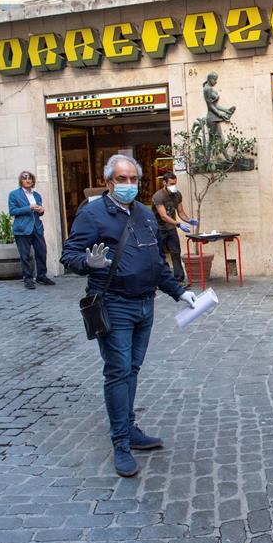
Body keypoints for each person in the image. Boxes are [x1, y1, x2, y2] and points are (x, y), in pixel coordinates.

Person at [61, 154, 197, 478]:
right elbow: (69, 254)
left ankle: (130, 428)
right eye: (121, 180)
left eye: (133, 179)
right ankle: (121, 441)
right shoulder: (92, 214)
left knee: (132, 369)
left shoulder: (144, 214)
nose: (128, 185)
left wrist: (179, 291)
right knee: (118, 370)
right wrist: (86, 263)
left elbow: (156, 263)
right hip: (113, 304)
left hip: (144, 305)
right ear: (109, 182)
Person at [8, 170, 54, 289]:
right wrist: (29, 207)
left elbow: (38, 213)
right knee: (25, 255)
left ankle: (41, 276)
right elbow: (12, 211)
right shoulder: (14, 194)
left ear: (33, 181)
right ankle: (28, 279)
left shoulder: (37, 195)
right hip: (22, 229)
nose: (27, 180)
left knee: (42, 252)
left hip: (37, 228)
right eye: (24, 178)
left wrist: (41, 210)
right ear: (21, 181)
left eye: (30, 178)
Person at [151, 172, 197, 283]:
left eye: (175, 183)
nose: (174, 186)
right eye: (171, 184)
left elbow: (180, 212)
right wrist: (179, 224)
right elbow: (163, 216)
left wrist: (189, 220)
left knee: (176, 252)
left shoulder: (177, 195)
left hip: (171, 228)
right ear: (164, 183)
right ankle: (160, 279)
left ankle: (179, 279)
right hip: (158, 229)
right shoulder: (158, 196)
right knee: (158, 255)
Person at [203, 72, 235, 142]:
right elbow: (210, 106)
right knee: (212, 141)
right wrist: (219, 114)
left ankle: (225, 153)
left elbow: (215, 105)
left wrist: (226, 110)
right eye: (215, 79)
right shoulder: (207, 89)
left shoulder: (209, 88)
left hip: (213, 116)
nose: (216, 82)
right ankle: (226, 116)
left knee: (220, 139)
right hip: (211, 118)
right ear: (210, 79)